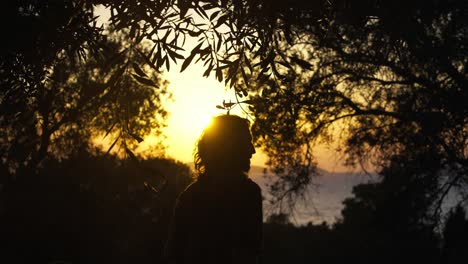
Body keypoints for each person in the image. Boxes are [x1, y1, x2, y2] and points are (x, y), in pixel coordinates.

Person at [165, 115, 263, 264]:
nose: (253, 150)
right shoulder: (248, 194)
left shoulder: (191, 196)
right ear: (230, 146)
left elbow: (173, 254)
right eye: (246, 143)